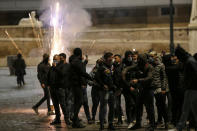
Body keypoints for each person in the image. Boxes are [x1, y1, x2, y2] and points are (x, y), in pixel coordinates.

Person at [125, 54, 155, 131]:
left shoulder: (149, 67)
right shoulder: (139, 66)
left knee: (150, 108)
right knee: (138, 107)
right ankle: (138, 123)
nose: (138, 61)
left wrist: (138, 80)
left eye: (139, 60)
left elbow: (149, 78)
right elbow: (130, 68)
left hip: (148, 89)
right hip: (141, 89)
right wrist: (125, 71)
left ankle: (152, 124)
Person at [175, 46, 197, 131]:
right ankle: (180, 126)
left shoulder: (190, 61)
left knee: (188, 109)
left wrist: (188, 84)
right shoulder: (189, 60)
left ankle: (180, 127)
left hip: (192, 88)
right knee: (189, 108)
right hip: (191, 88)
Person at [69, 48, 92, 128]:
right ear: (80, 54)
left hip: (74, 84)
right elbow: (82, 73)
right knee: (79, 102)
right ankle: (75, 120)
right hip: (77, 84)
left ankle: (74, 119)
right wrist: (91, 78)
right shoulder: (77, 62)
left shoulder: (73, 61)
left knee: (77, 102)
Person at [95, 52, 116, 130]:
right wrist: (103, 85)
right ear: (107, 58)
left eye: (113, 57)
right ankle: (102, 124)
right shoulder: (102, 67)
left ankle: (110, 124)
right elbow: (97, 77)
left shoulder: (112, 67)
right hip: (104, 91)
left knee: (112, 108)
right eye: (111, 57)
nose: (112, 59)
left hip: (111, 91)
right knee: (103, 107)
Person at [47, 54, 69, 125]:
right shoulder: (51, 68)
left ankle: (67, 119)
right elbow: (48, 76)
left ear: (59, 60)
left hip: (60, 88)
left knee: (63, 104)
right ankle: (57, 119)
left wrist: (56, 67)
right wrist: (48, 84)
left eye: (56, 59)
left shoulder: (63, 66)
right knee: (55, 105)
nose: (55, 61)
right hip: (52, 89)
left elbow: (62, 74)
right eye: (54, 59)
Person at [113, 54, 124, 125]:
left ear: (120, 59)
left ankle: (120, 119)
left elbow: (121, 77)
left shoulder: (122, 66)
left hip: (119, 87)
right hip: (115, 87)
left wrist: (121, 87)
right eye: (114, 58)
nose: (115, 59)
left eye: (116, 58)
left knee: (117, 104)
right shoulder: (114, 65)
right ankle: (119, 119)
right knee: (116, 104)